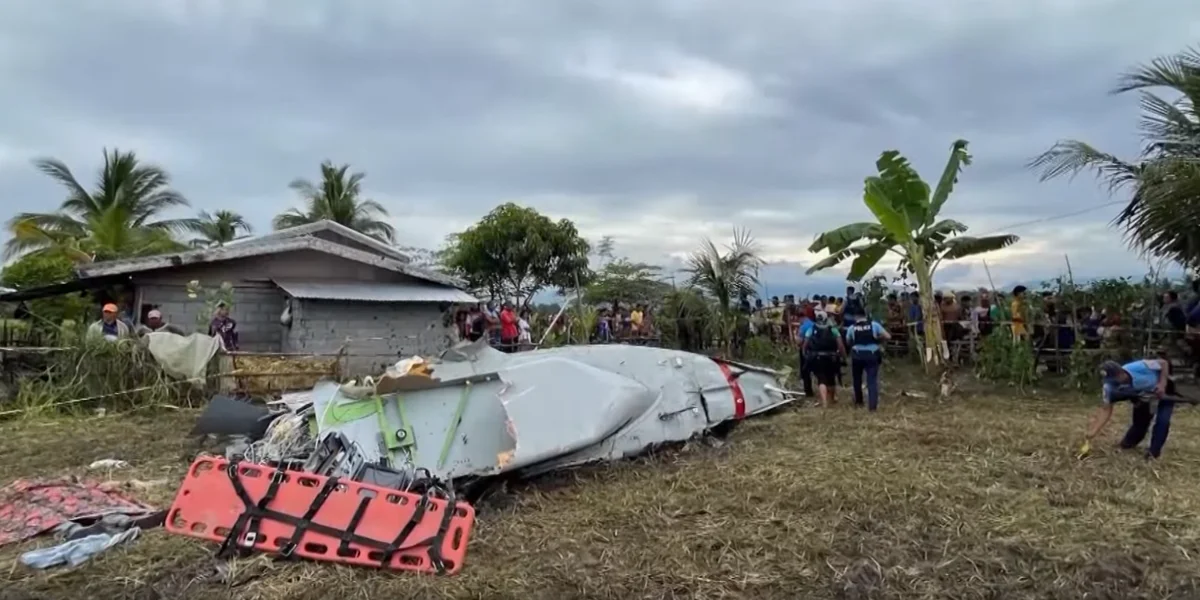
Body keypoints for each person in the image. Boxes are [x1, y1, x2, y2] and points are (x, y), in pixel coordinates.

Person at [1081, 358, 1177, 459]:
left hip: (1165, 391)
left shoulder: (1139, 367)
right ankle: (1128, 444)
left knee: (1162, 421)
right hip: (1144, 396)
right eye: (1111, 379)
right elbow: (1106, 409)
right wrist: (1093, 431)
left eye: (1116, 377)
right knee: (1140, 422)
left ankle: (1153, 453)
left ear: (1121, 372)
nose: (1115, 381)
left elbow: (1163, 363)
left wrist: (1162, 384)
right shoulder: (1109, 387)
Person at [845, 307, 891, 411]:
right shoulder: (874, 325)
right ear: (865, 315)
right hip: (872, 354)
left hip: (857, 355)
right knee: (872, 381)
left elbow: (848, 341)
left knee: (857, 379)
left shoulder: (852, 328)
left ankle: (859, 402)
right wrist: (877, 339)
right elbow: (888, 336)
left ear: (855, 317)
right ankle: (872, 406)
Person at [802, 310, 845, 408]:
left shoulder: (811, 329)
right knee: (831, 379)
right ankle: (832, 398)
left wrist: (805, 354)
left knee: (821, 380)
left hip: (817, 357)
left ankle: (824, 403)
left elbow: (805, 343)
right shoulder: (833, 330)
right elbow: (840, 345)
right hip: (831, 357)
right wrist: (843, 356)